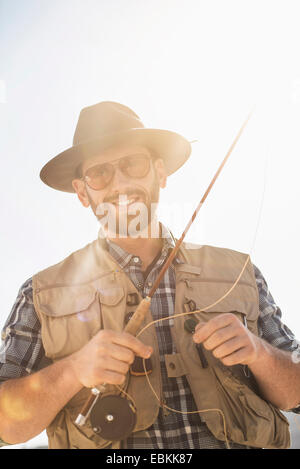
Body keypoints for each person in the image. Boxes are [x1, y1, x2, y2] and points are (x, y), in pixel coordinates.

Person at [0, 101, 300, 450]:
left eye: (133, 164)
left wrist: (259, 353)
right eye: (99, 173)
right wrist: (72, 371)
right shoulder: (38, 292)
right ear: (83, 192)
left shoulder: (241, 272)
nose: (120, 183)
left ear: (160, 172)